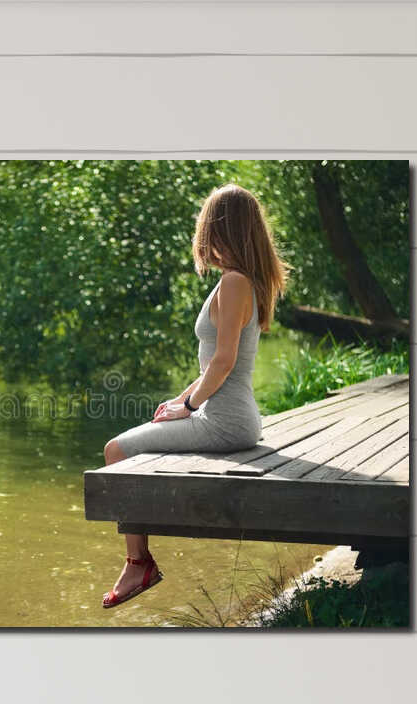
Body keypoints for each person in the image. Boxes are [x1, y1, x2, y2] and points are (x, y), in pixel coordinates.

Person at [99, 183, 288, 610]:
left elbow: (222, 363)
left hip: (224, 422)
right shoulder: (239, 280)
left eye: (208, 228)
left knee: (116, 451)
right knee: (132, 442)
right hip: (233, 417)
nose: (203, 239)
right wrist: (179, 400)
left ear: (222, 230)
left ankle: (138, 564)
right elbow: (215, 367)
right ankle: (138, 560)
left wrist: (188, 406)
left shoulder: (235, 282)